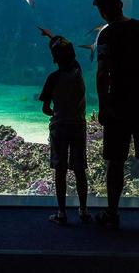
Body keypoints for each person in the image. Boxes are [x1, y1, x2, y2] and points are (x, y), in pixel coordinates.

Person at [93, 0, 139, 230]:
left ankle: (112, 213)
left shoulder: (106, 35)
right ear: (121, 4)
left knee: (115, 161)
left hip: (117, 105)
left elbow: (103, 73)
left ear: (103, 11)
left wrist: (103, 106)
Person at [39, 27, 92, 225]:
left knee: (60, 170)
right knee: (79, 169)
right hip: (78, 126)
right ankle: (84, 210)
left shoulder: (52, 78)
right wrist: (53, 37)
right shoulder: (78, 72)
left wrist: (55, 112)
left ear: (54, 58)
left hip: (60, 127)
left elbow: (46, 108)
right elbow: (67, 52)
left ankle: (61, 213)